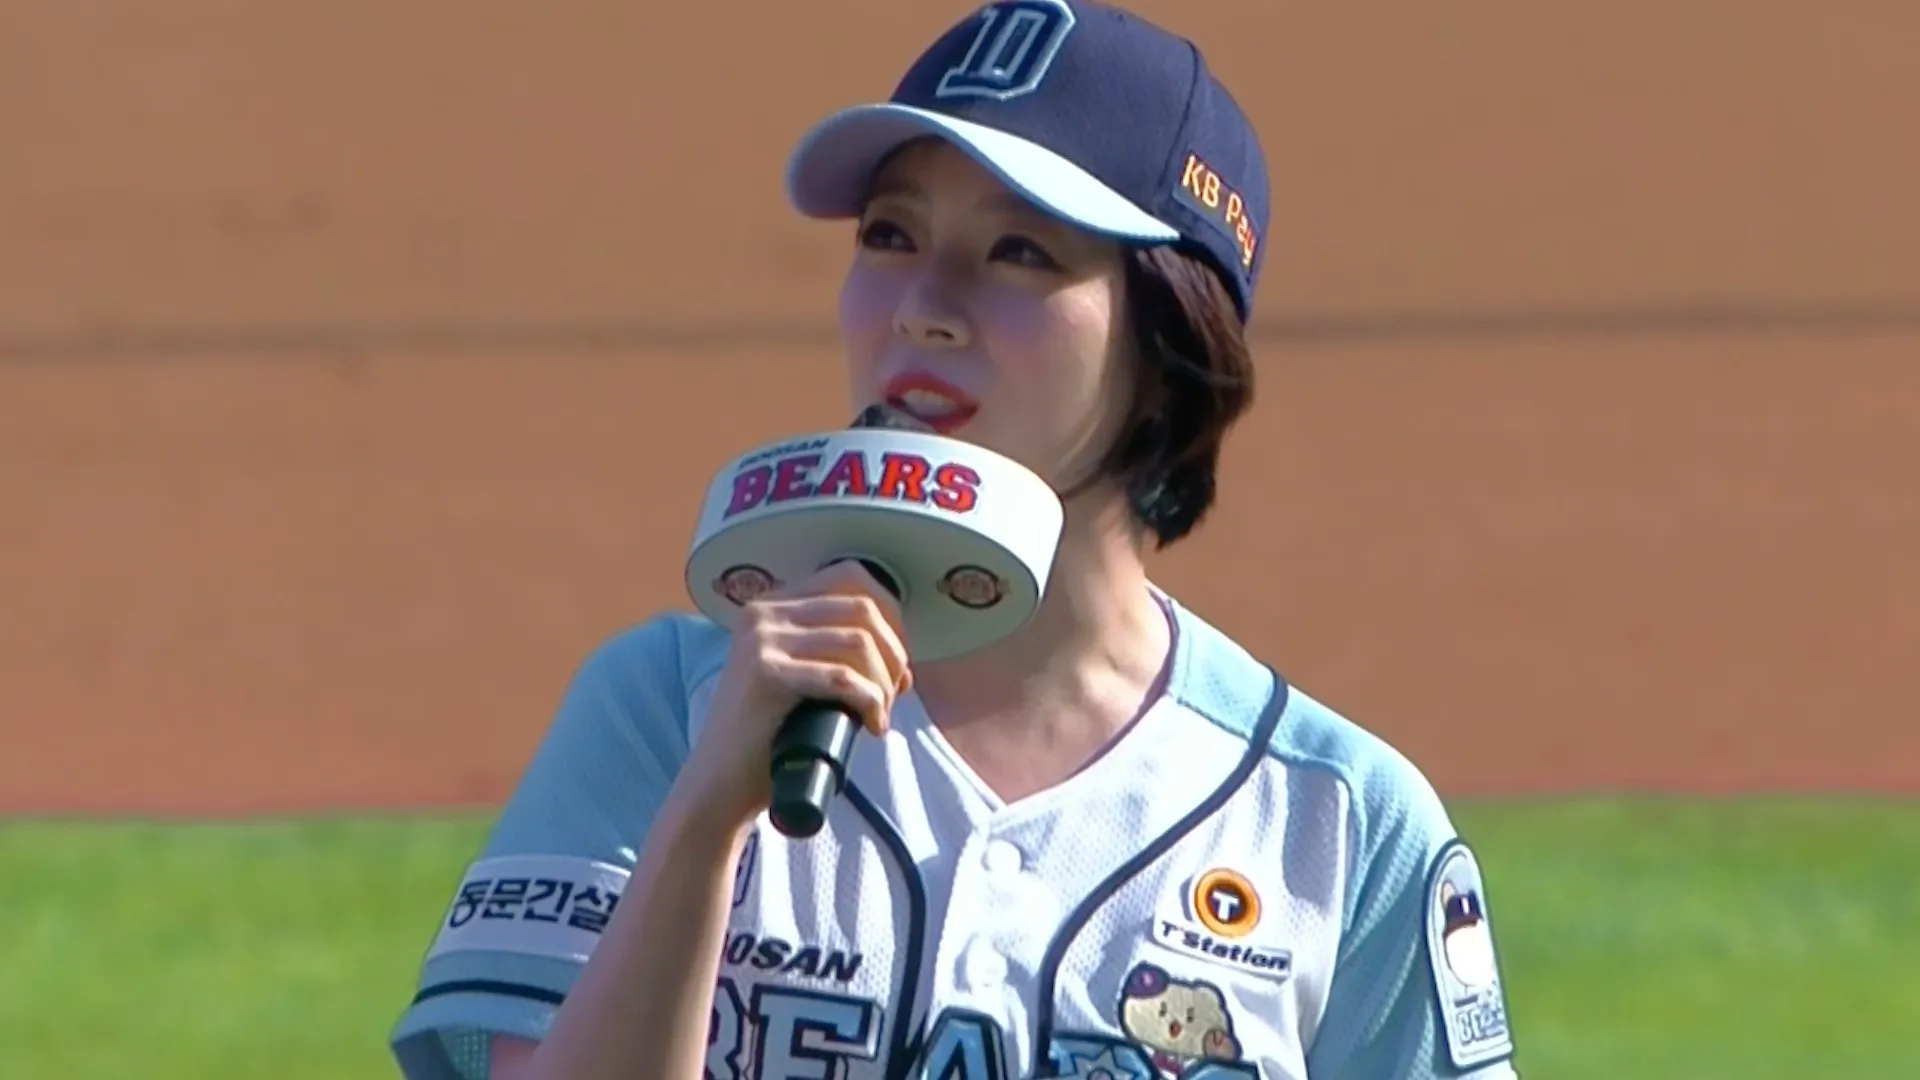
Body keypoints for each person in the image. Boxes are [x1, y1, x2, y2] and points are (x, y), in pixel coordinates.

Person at [387, 2, 1520, 1078]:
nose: (921, 305)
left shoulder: (1335, 825)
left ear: (1173, 338)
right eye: (891, 234)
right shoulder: (668, 710)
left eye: (1019, 250)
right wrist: (704, 822)